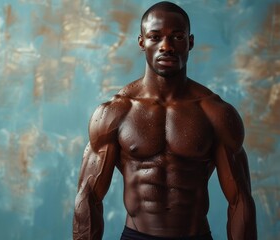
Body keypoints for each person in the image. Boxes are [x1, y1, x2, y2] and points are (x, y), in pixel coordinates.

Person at [72, 1, 257, 240]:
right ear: (142, 42)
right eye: (155, 37)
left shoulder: (216, 113)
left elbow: (239, 200)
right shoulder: (115, 113)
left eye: (177, 37)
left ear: (190, 42)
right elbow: (88, 197)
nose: (166, 46)